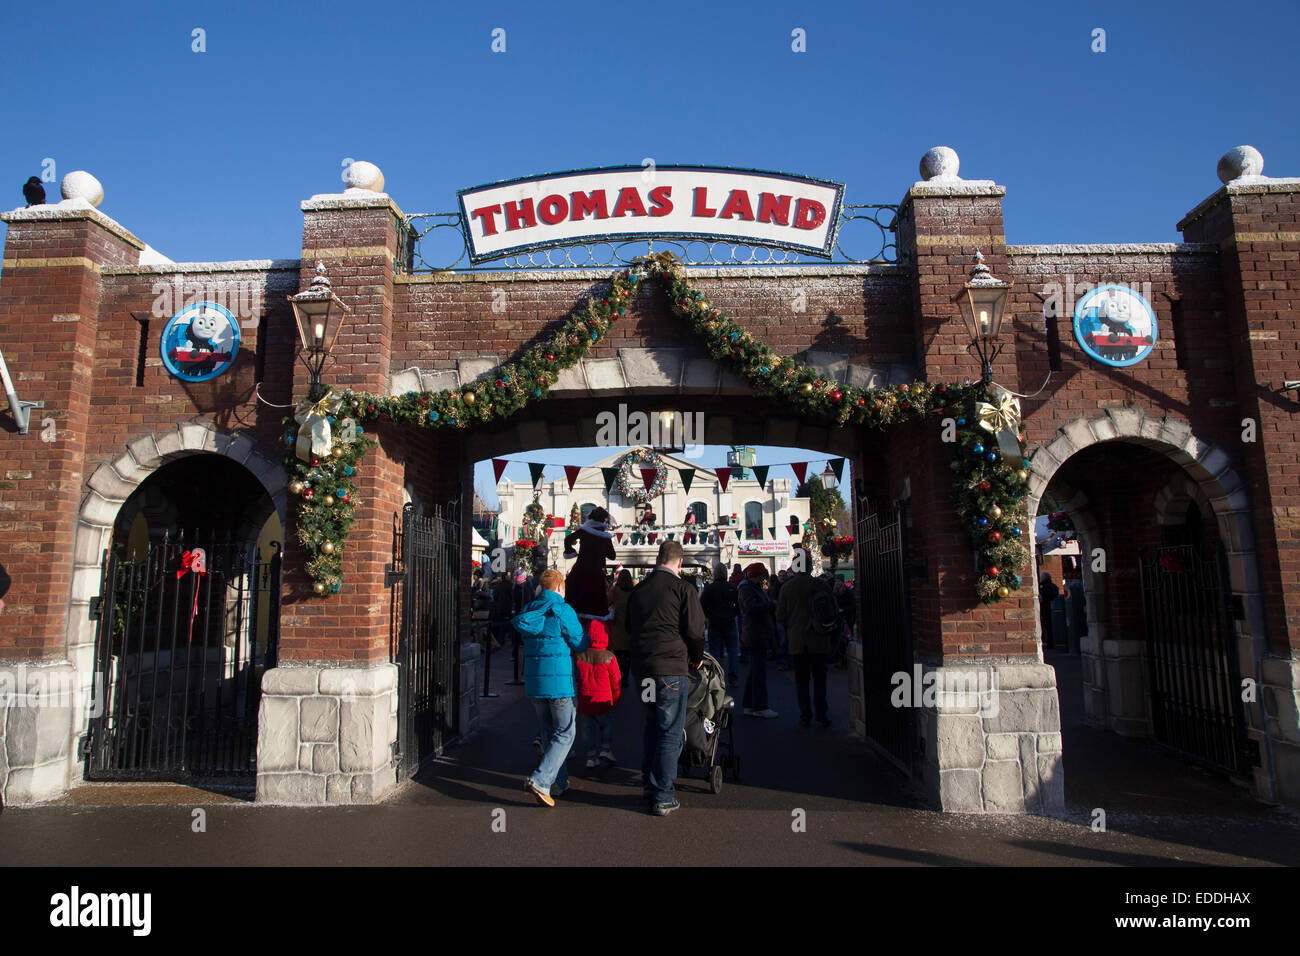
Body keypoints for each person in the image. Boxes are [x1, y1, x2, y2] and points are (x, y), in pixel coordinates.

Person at [626, 539, 706, 816]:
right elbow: (696, 631)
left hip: (644, 670)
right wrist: (696, 656)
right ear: (680, 562)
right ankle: (662, 794)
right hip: (671, 668)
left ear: (658, 559)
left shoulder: (639, 591)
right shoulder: (683, 589)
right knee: (670, 730)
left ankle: (649, 784)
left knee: (651, 724)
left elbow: (628, 627)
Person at [511, 568, 588, 807]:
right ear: (559, 588)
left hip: (535, 682)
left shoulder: (529, 611)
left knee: (548, 733)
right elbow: (579, 641)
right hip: (560, 682)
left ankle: (559, 782)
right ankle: (542, 779)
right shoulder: (563, 610)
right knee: (566, 732)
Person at [777, 548, 836, 727]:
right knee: (820, 679)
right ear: (810, 567)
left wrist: (792, 625)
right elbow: (833, 610)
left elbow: (780, 616)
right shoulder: (821, 585)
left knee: (801, 681)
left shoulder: (787, 588)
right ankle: (822, 714)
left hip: (797, 640)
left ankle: (805, 715)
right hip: (818, 638)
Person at [575, 619, 622, 767]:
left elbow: (575, 678)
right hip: (603, 700)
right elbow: (616, 681)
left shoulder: (579, 656)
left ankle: (590, 756)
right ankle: (605, 748)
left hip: (584, 700)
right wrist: (616, 698)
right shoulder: (609, 657)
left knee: (587, 729)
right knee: (606, 724)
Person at [737, 563, 778, 718]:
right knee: (758, 671)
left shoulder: (752, 588)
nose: (764, 579)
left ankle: (749, 704)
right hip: (755, 634)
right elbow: (750, 607)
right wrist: (769, 604)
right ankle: (760, 705)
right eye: (762, 575)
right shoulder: (747, 589)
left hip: (756, 633)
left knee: (755, 671)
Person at [563, 506, 616, 625]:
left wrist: (570, 552)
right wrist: (603, 549)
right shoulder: (605, 537)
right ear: (604, 520)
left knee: (574, 599)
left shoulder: (584, 531)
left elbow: (568, 539)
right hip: (596, 573)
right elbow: (612, 556)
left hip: (580, 570)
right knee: (596, 606)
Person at [700, 563, 741, 686]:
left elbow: (702, 606)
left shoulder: (709, 589)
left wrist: (708, 616)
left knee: (715, 652)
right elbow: (739, 607)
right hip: (729, 623)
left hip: (715, 623)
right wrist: (732, 614)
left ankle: (717, 677)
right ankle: (733, 677)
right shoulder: (732, 588)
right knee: (733, 651)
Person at [606, 568, 634, 688]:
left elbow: (606, 601)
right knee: (628, 653)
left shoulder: (615, 589)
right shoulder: (633, 591)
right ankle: (626, 676)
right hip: (630, 624)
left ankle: (618, 675)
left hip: (617, 623)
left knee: (618, 652)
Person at [1039, 571, 1060, 647]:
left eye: (1041, 577)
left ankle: (1049, 642)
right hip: (1054, 609)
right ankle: (1054, 641)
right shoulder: (1054, 586)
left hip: (1045, 609)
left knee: (1046, 626)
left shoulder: (1043, 587)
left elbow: (1042, 598)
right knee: (1052, 625)